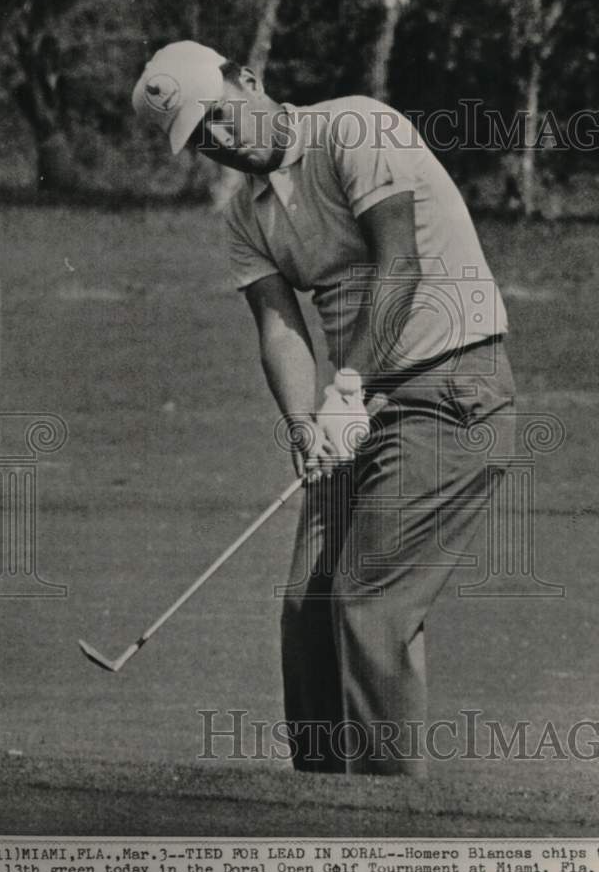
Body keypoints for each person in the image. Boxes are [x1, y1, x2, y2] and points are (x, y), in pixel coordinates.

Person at [133, 41, 516, 777]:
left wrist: (346, 390)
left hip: (450, 391)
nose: (219, 139)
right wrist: (305, 426)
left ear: (250, 80)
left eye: (219, 114)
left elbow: (400, 265)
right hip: (360, 408)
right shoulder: (246, 217)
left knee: (367, 600)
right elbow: (279, 329)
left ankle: (388, 819)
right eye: (200, 136)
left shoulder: (354, 128)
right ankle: (318, 811)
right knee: (307, 607)